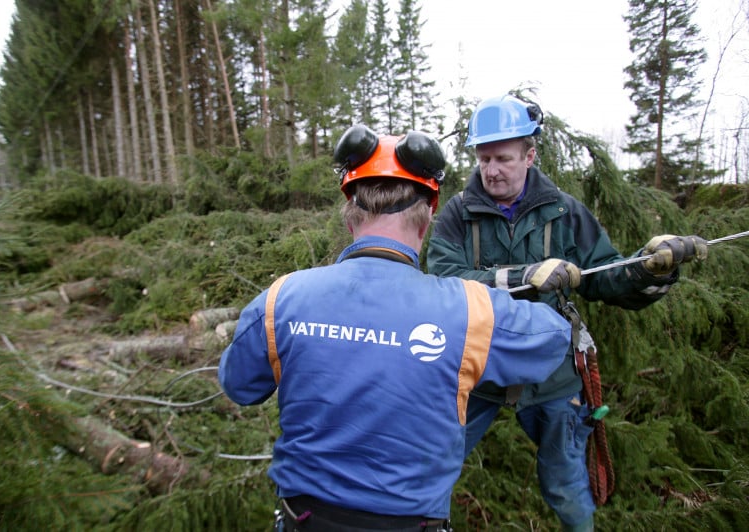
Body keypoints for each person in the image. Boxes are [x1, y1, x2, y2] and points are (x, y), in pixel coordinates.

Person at [218, 124, 574, 531]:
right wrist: (518, 279)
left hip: (305, 519)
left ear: (350, 215)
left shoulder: (282, 298)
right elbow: (552, 339)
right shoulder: (471, 310)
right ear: (428, 219)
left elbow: (239, 385)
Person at [426, 94, 709, 532]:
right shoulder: (458, 215)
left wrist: (649, 269)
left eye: (503, 158)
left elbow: (605, 277)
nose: (492, 170)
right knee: (431, 465)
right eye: (484, 158)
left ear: (530, 154)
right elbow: (443, 283)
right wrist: (524, 275)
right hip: (476, 367)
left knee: (565, 483)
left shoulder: (564, 213)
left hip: (552, 373)